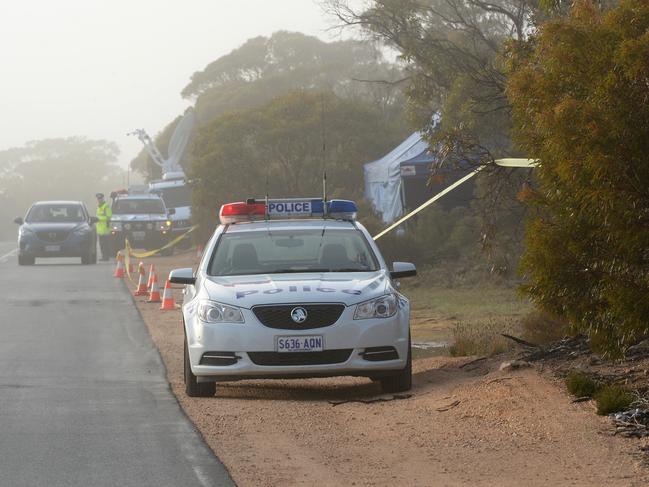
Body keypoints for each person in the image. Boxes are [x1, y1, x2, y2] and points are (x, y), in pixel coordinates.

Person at [95, 193, 113, 261]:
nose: (99, 200)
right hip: (100, 230)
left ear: (103, 198)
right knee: (102, 245)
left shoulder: (106, 206)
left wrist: (99, 219)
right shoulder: (99, 206)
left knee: (105, 244)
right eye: (98, 199)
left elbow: (109, 217)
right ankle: (104, 256)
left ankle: (106, 257)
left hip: (105, 229)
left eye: (100, 198)